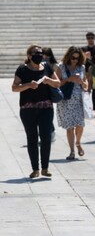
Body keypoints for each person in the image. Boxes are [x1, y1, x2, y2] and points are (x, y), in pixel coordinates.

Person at [12, 45, 61, 178]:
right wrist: (28, 85)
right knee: (32, 138)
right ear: (29, 55)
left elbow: (58, 83)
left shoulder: (47, 67)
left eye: (40, 53)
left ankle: (45, 168)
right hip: (28, 110)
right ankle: (35, 169)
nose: (39, 55)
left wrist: (48, 80)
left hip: (46, 108)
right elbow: (14, 88)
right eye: (35, 53)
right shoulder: (22, 69)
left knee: (46, 137)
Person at [56, 46, 88, 160]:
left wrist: (81, 82)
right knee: (70, 127)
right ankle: (72, 151)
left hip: (78, 100)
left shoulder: (82, 67)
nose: (74, 60)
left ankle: (78, 142)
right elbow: (56, 83)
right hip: (65, 100)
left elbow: (86, 85)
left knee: (80, 124)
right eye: (72, 58)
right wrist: (69, 79)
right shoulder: (61, 67)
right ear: (68, 57)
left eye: (77, 58)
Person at [42, 47, 60, 142]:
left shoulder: (54, 65)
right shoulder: (38, 64)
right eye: (43, 54)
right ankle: (49, 131)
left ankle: (51, 131)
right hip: (42, 89)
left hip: (51, 89)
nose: (44, 56)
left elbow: (56, 79)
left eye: (47, 54)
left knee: (48, 111)